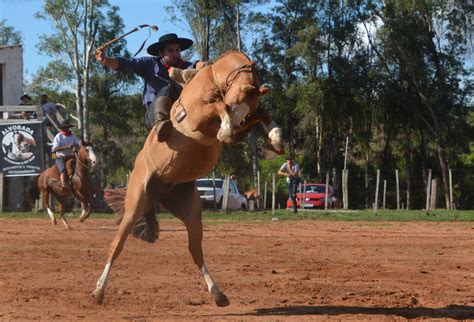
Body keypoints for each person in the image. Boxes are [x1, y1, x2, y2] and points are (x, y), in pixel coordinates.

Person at [95, 33, 206, 142]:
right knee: (168, 89)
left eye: (177, 50)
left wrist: (206, 66)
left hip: (180, 111)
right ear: (161, 53)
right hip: (153, 114)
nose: (175, 54)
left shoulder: (185, 66)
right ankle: (160, 124)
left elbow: (197, 65)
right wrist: (105, 60)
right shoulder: (149, 64)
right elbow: (126, 64)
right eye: (170, 51)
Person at [52, 121, 80, 193]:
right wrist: (67, 146)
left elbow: (77, 145)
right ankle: (64, 185)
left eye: (66, 127)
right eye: (63, 128)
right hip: (61, 157)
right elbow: (54, 149)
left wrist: (75, 147)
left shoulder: (73, 136)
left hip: (71, 156)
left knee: (81, 166)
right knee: (63, 169)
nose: (65, 129)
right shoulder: (58, 136)